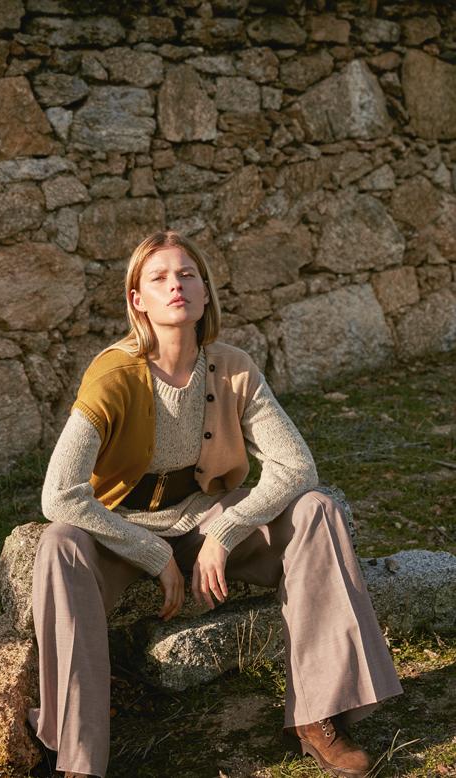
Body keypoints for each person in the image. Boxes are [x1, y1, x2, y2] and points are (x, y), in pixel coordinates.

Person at [29, 230, 403, 778]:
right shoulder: (111, 376)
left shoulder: (232, 367)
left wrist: (227, 530)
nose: (175, 286)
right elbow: (58, 493)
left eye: (187, 275)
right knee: (60, 543)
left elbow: (297, 467)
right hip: (125, 529)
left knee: (316, 509)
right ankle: (77, 758)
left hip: (208, 516)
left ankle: (317, 716)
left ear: (205, 294)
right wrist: (153, 553)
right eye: (158, 278)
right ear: (138, 300)